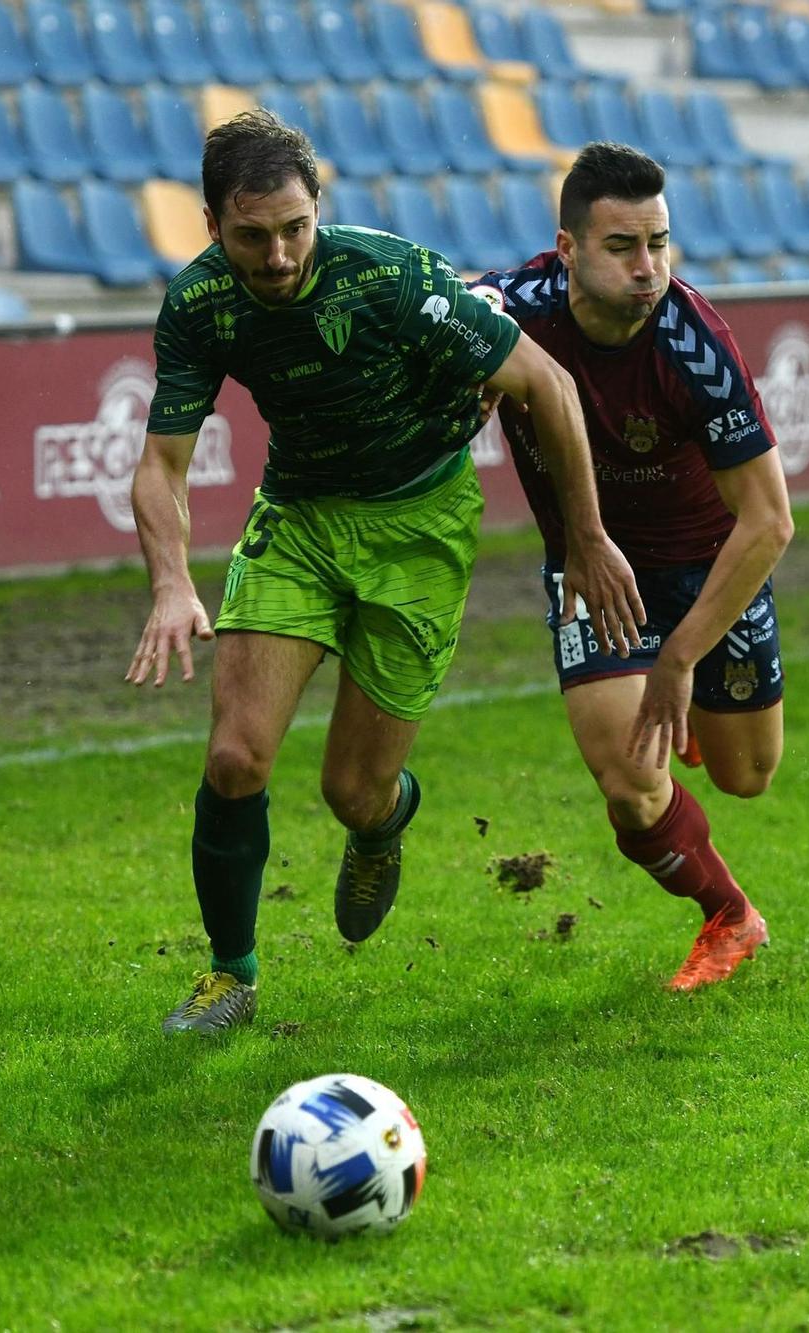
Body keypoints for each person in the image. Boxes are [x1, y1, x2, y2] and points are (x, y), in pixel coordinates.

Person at [129, 111, 644, 1034]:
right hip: (300, 518)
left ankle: (384, 822)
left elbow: (550, 387)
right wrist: (171, 580)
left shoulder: (388, 275)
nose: (280, 255)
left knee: (351, 791)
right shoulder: (200, 304)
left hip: (421, 524)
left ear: (318, 209)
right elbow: (163, 462)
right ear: (211, 227)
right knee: (235, 758)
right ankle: (230, 978)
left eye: (295, 227)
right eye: (252, 235)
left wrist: (585, 539)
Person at [473, 142, 794, 992]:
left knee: (746, 775)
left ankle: (676, 688)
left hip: (705, 566)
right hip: (592, 571)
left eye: (658, 243)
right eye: (622, 247)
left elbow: (769, 521)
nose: (647, 267)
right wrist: (457, 371)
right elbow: (442, 312)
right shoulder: (513, 305)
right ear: (568, 248)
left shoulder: (699, 347)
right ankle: (731, 915)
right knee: (630, 781)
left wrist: (679, 657)